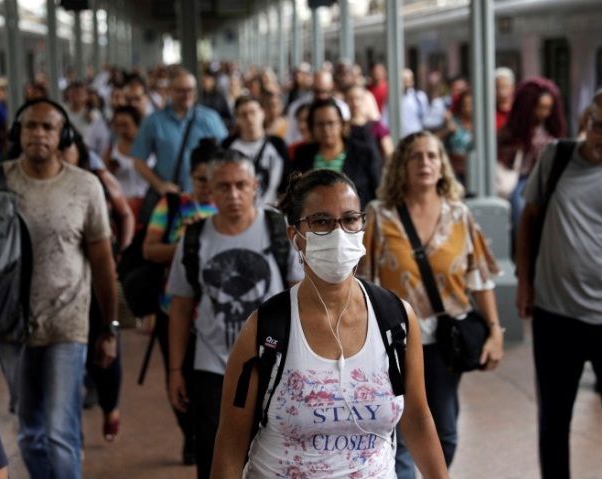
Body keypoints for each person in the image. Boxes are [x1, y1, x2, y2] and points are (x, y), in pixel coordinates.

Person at [210, 168, 449, 478]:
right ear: (295, 236)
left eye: (349, 219)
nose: (339, 233)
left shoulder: (396, 320)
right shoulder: (266, 329)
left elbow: (417, 418)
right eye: (321, 222)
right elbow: (230, 443)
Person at [359, 131, 503, 475]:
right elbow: (363, 281)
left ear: (442, 167)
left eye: (432, 156)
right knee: (403, 436)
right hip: (393, 343)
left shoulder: (459, 215)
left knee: (447, 433)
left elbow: (479, 279)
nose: (425, 163)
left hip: (444, 344)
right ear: (401, 167)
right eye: (416, 156)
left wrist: (495, 330)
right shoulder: (380, 215)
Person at [516, 86, 602, 479]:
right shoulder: (556, 156)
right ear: (587, 119)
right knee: (553, 420)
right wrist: (524, 284)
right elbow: (529, 220)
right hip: (556, 316)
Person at [167, 149, 303, 479]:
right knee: (215, 452)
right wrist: (175, 369)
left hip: (274, 362)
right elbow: (182, 306)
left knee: (275, 451)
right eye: (223, 186)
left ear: (255, 186)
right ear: (209, 190)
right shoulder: (195, 239)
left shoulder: (278, 229)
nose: (233, 194)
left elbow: (299, 298)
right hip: (213, 365)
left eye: (241, 185)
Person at [3, 98, 117, 478]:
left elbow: (102, 262)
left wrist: (109, 327)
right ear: (17, 133)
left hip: (67, 326)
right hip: (11, 328)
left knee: (60, 434)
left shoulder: (85, 186)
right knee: (29, 434)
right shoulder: (1, 182)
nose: (38, 134)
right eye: (30, 126)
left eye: (48, 127)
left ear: (63, 134)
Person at [142, 138, 219, 466]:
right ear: (191, 177)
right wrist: (190, 245)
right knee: (179, 375)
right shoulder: (172, 206)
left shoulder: (231, 210)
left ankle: (207, 436)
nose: (207, 186)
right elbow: (150, 249)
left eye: (211, 179)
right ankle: (190, 434)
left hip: (216, 317)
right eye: (200, 178)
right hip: (174, 311)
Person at [61, 126, 134, 443]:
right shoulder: (44, 185)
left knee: (106, 342)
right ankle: (70, 425)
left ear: (79, 151)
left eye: (65, 149)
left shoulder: (98, 180)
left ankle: (110, 407)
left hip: (100, 278)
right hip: (64, 285)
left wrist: (121, 252)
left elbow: (125, 215)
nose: (59, 156)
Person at [131, 68, 228, 197]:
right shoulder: (154, 121)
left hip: (205, 197)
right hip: (170, 195)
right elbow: (138, 160)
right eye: (181, 90)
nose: (187, 94)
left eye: (190, 90)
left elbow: (226, 154)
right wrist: (159, 184)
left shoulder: (210, 119)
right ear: (169, 91)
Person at [497, 77, 566, 236]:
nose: (544, 113)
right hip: (520, 179)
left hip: (544, 180)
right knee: (520, 212)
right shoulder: (511, 131)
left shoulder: (550, 130)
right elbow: (504, 158)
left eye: (548, 108)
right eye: (539, 108)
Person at [292, 98, 383, 208]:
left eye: (331, 123)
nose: (326, 129)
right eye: (320, 124)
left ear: (342, 124)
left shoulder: (363, 153)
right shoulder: (302, 155)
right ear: (312, 127)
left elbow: (378, 191)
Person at [221, 94, 289, 207]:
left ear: (262, 113)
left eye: (253, 112)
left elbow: (287, 179)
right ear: (237, 119)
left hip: (272, 212)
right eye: (243, 114)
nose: (249, 118)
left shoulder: (278, 144)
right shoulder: (228, 146)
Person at [103, 106, 153, 221]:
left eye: (126, 125)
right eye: (118, 126)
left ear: (137, 124)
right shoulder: (111, 152)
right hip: (121, 207)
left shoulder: (151, 150)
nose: (121, 131)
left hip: (147, 206)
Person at [285, 70, 351, 145]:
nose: (322, 96)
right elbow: (290, 137)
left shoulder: (342, 108)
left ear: (332, 88)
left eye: (326, 91)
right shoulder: (296, 107)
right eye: (317, 91)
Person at [345, 83, 394, 161]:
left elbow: (389, 155)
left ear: (364, 100)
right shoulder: (342, 127)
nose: (355, 103)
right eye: (351, 99)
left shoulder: (377, 126)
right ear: (346, 101)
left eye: (358, 98)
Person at [438, 89, 473, 185]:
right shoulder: (453, 122)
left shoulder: (479, 124)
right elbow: (435, 139)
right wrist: (447, 131)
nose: (468, 107)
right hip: (455, 169)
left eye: (471, 104)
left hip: (474, 169)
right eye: (465, 104)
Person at [495, 67, 516, 131]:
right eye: (498, 87)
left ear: (512, 88)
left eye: (505, 87)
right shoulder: (489, 112)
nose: (501, 91)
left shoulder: (517, 110)